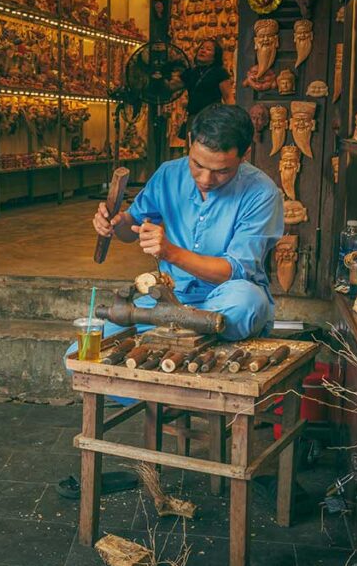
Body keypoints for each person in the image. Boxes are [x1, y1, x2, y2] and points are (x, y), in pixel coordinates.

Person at [86, 103, 284, 348]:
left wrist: (169, 252)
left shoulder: (262, 192)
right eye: (197, 165)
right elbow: (130, 228)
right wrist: (114, 224)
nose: (205, 179)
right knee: (82, 351)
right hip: (168, 298)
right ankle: (186, 326)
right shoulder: (169, 173)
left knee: (248, 302)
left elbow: (233, 271)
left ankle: (173, 328)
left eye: (221, 171)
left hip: (223, 298)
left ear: (244, 155)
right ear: (190, 140)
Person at [178, 40, 234, 139]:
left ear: (215, 56)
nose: (203, 51)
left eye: (208, 49)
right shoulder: (191, 73)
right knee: (192, 148)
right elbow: (172, 87)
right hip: (193, 117)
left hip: (212, 117)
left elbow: (228, 97)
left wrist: (233, 118)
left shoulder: (219, 72)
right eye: (202, 48)